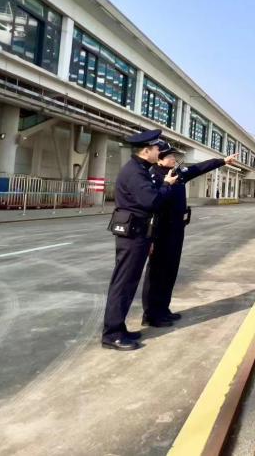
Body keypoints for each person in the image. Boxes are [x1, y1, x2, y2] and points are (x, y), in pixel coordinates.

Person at [141, 142, 237, 327]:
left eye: (174, 156)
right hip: (160, 232)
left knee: (170, 271)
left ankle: (163, 309)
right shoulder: (153, 176)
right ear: (160, 159)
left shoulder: (177, 173)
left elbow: (199, 168)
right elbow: (149, 208)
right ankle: (151, 315)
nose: (174, 159)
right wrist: (149, 237)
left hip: (176, 230)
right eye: (170, 156)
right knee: (156, 273)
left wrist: (223, 161)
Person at [101, 129, 178, 350]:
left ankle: (119, 328)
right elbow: (151, 201)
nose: (159, 153)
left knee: (128, 283)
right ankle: (112, 334)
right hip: (132, 235)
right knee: (123, 284)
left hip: (138, 233)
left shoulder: (139, 169)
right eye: (156, 149)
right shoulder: (135, 172)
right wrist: (166, 185)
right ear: (146, 151)